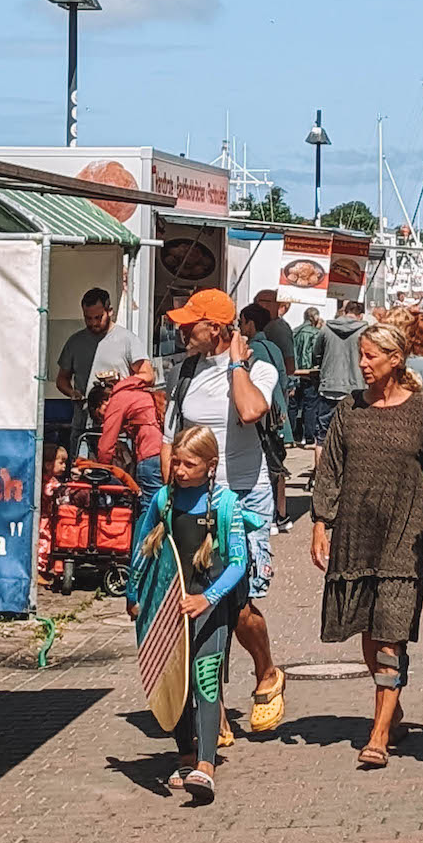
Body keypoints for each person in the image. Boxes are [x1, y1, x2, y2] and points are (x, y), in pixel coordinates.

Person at [311, 321, 423, 767]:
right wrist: (319, 523)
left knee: (391, 632)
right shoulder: (349, 410)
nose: (362, 363)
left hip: (404, 534)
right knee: (368, 630)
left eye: (371, 356)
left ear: (395, 359)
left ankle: (379, 733)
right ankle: (393, 704)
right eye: (361, 355)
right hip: (355, 531)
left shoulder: (422, 411)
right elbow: (329, 469)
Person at [161, 289, 286, 736]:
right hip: (197, 501)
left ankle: (267, 672)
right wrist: (167, 497)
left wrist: (235, 364)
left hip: (245, 497)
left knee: (239, 604)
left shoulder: (259, 368)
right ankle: (210, 705)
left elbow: (252, 410)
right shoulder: (183, 373)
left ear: (215, 328)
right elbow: (169, 440)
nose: (180, 329)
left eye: (189, 323)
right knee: (199, 603)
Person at [128, 425, 267, 802]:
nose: (180, 470)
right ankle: (186, 757)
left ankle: (206, 765)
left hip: (210, 607)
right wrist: (133, 594)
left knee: (206, 681)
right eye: (176, 462)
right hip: (170, 605)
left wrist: (208, 598)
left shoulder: (225, 505)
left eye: (189, 464)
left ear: (210, 466)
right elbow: (142, 550)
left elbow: (238, 563)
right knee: (176, 683)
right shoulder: (163, 500)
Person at [56, 289, 138, 456]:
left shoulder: (128, 339)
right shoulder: (75, 342)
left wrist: (120, 388)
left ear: (110, 311)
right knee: (80, 472)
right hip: (83, 425)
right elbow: (62, 379)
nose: (93, 323)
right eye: (88, 318)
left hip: (118, 425)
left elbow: (147, 375)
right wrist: (72, 392)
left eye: (98, 318)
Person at [239, 303, 293, 533]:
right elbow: (283, 381)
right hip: (279, 416)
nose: (240, 327)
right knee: (278, 465)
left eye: (241, 322)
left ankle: (268, 516)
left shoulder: (253, 351)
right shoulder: (273, 347)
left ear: (250, 324)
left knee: (267, 465)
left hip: (263, 418)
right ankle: (281, 515)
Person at [96, 358, 165, 508]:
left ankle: (147, 532)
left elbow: (106, 446)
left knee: (149, 508)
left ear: (103, 401)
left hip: (149, 454)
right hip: (165, 452)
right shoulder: (140, 392)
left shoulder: (118, 399)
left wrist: (101, 470)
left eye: (101, 415)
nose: (103, 419)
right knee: (163, 505)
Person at [311, 301, 367, 470]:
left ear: (344, 312)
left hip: (329, 387)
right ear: (360, 315)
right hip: (355, 389)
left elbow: (316, 353)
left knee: (322, 437)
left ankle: (320, 477)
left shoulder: (327, 328)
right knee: (354, 436)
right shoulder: (365, 331)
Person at [290, 307, 323, 445]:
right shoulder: (315, 333)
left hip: (294, 372)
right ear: (314, 318)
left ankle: (291, 436)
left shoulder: (294, 331)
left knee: (293, 405)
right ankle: (309, 437)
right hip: (309, 373)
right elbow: (316, 353)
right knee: (310, 405)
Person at [38, 443, 68, 583]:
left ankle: (45, 568)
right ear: (48, 464)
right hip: (42, 517)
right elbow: (48, 491)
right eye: (61, 463)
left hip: (48, 517)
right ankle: (38, 570)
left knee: (49, 541)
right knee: (43, 541)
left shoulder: (52, 480)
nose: (64, 467)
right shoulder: (45, 481)